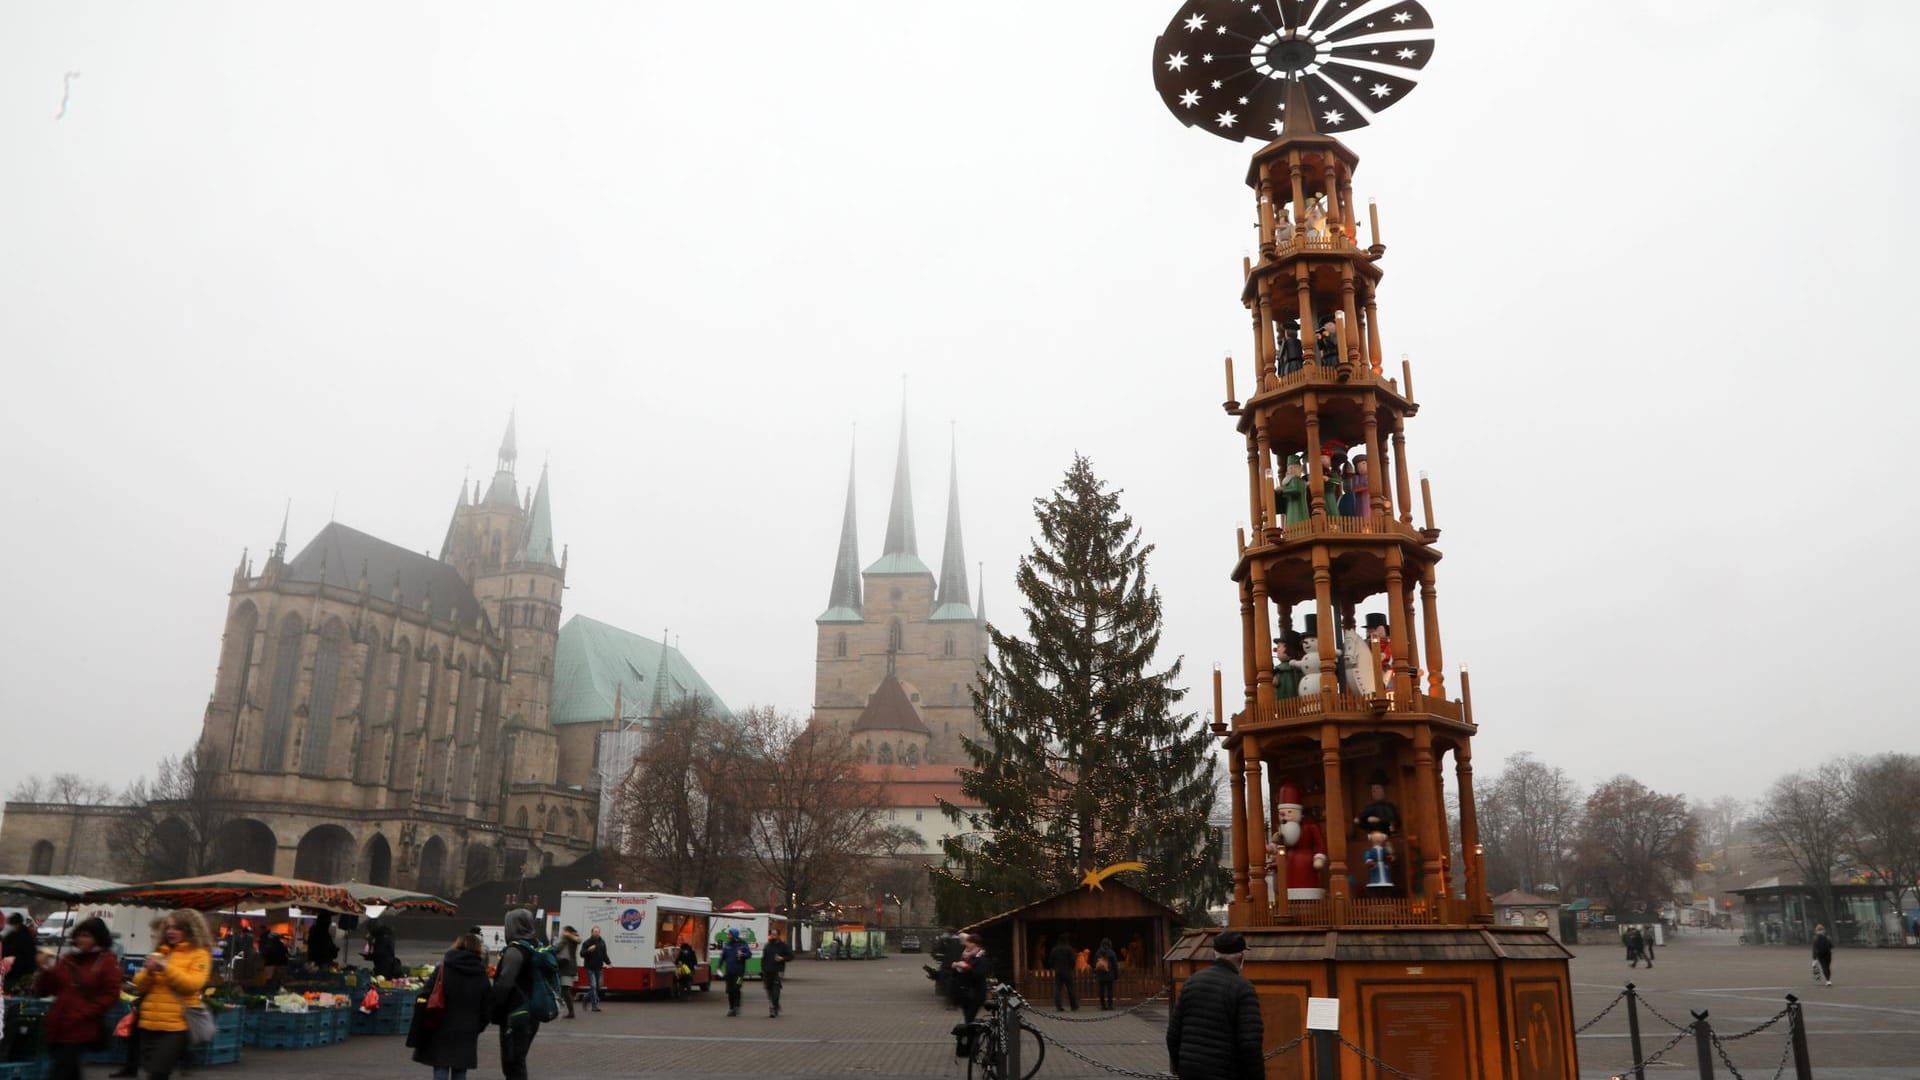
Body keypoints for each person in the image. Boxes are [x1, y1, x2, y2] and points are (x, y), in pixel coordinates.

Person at [1166, 930, 1263, 1080]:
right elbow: (1250, 1045)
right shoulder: (1243, 988)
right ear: (1242, 957)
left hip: (1190, 1070)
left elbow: (1173, 1034)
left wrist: (1182, 1067)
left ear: (1214, 954)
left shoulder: (1191, 982)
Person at [34, 916, 122, 1080]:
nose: (81, 939)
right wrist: (44, 969)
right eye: (80, 935)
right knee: (68, 1070)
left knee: (61, 1071)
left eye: (87, 936)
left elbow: (111, 995)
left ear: (98, 938)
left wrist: (85, 1012)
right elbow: (47, 990)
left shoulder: (106, 962)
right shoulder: (68, 960)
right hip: (57, 1024)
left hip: (80, 1027)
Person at [133, 909, 213, 1080]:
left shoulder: (200, 954)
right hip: (149, 1022)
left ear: (190, 930)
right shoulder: (161, 952)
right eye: (168, 927)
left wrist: (165, 968)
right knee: (151, 1070)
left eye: (177, 928)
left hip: (176, 1025)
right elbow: (139, 985)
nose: (170, 932)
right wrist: (149, 972)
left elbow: (192, 985)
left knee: (158, 1072)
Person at [408, 933, 491, 1080]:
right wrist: (478, 1026)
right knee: (460, 1069)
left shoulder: (443, 968)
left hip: (441, 1023)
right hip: (467, 1029)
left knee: (441, 1065)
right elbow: (487, 1006)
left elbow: (426, 994)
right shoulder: (481, 974)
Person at [489, 909, 542, 1080]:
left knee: (512, 1063)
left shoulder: (515, 950)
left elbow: (504, 984)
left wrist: (491, 1007)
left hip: (515, 1012)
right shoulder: (537, 946)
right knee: (518, 1059)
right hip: (532, 1011)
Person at [949, 934, 988, 1058]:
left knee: (970, 1019)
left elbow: (978, 974)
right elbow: (962, 975)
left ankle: (971, 1046)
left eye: (970, 943)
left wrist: (966, 967)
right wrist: (957, 968)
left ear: (975, 944)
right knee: (968, 1019)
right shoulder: (966, 955)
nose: (967, 945)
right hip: (965, 993)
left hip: (976, 994)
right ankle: (970, 1046)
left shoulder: (981, 957)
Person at [718, 929, 752, 1017]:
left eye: (729, 934)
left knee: (736, 988)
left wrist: (743, 955)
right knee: (730, 991)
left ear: (734, 935)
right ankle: (731, 1008)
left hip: (739, 973)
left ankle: (737, 1005)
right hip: (729, 973)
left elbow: (749, 954)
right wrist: (719, 967)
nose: (728, 936)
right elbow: (722, 957)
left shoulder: (743, 944)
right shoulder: (727, 945)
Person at [761, 929, 793, 1018]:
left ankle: (773, 1008)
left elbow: (791, 956)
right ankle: (774, 1006)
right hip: (767, 971)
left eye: (775, 934)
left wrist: (782, 958)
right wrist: (762, 969)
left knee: (776, 990)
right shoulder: (767, 946)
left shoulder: (783, 946)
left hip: (778, 971)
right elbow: (763, 959)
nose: (773, 936)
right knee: (769, 990)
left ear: (778, 935)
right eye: (772, 934)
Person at [1, 913, 34, 992]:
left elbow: (8, 953)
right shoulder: (27, 935)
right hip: (25, 972)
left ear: (15, 924)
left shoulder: (15, 937)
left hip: (14, 973)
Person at [578, 928, 607, 1012]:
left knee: (597, 987)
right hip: (590, 968)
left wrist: (608, 962)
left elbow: (604, 954)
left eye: (598, 932)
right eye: (595, 932)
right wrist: (588, 950)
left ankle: (586, 997)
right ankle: (594, 1006)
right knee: (593, 986)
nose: (596, 933)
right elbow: (581, 954)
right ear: (592, 933)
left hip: (599, 967)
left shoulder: (602, 942)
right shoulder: (587, 942)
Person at [554, 927, 580, 1020]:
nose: (562, 932)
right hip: (568, 967)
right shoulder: (571, 939)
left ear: (567, 932)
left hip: (566, 967)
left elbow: (556, 949)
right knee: (564, 989)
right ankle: (569, 1011)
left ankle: (571, 1012)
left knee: (565, 989)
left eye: (564, 931)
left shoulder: (567, 939)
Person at [1048, 933, 1078, 1011]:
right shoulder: (1069, 949)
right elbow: (1073, 961)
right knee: (1070, 988)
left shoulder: (1054, 949)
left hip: (1058, 971)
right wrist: (1071, 967)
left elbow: (1050, 961)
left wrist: (1054, 967)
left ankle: (1058, 1006)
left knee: (1057, 989)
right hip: (1067, 971)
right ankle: (1073, 1006)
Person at [1093, 937, 1121, 1010]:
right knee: (1109, 990)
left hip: (1100, 974)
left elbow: (1095, 963)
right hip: (1109, 974)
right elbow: (1115, 964)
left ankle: (1103, 1005)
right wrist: (1116, 975)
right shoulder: (1112, 952)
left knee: (1101, 990)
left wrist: (1095, 973)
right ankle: (1110, 1005)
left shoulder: (1098, 952)